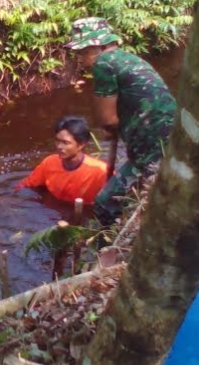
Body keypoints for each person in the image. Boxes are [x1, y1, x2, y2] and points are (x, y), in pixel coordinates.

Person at [65, 17, 176, 224]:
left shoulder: (104, 63)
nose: (78, 57)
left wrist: (109, 129)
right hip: (167, 134)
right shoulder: (127, 59)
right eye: (77, 52)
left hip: (151, 139)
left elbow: (107, 119)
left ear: (103, 45)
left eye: (84, 50)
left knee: (105, 202)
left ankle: (107, 242)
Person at [16, 116, 108, 204]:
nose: (59, 147)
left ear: (81, 145)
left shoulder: (101, 172)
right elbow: (25, 185)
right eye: (57, 141)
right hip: (51, 211)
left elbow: (114, 202)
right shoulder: (50, 162)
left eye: (65, 143)